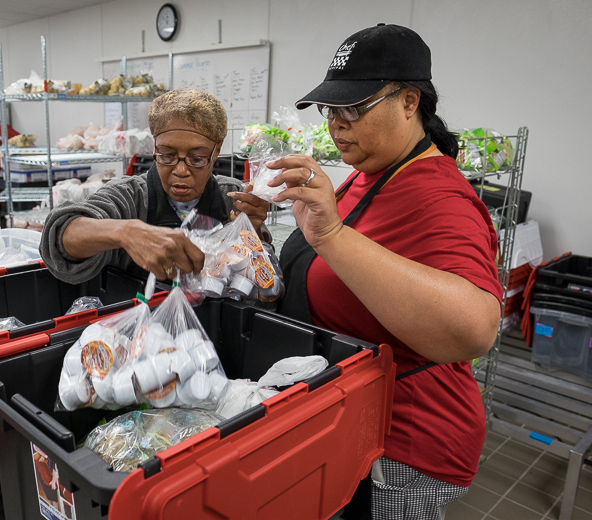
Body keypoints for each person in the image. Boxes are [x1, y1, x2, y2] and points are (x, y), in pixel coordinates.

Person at [267, 24, 503, 520]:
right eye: (332, 111)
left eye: (353, 109)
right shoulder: (371, 172)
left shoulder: (441, 197)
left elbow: (476, 329)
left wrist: (332, 237)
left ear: (409, 101)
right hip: (350, 423)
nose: (336, 125)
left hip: (400, 446)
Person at [40, 88, 269, 283]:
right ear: (154, 147)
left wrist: (252, 231)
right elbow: (60, 235)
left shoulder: (232, 197)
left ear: (216, 152)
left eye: (197, 158)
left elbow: (263, 276)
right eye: (167, 155)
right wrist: (126, 232)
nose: (180, 170)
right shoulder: (131, 197)